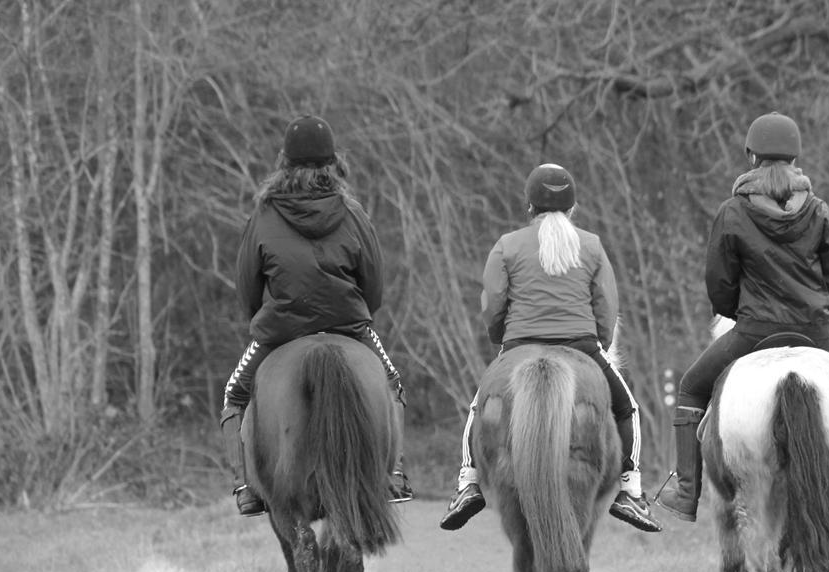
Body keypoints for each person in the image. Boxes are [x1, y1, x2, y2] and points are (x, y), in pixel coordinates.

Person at [656, 112, 829, 523]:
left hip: (753, 331)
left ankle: (687, 490)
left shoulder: (734, 211)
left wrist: (737, 313)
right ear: (795, 158)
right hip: (815, 332)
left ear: (752, 158)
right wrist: (817, 312)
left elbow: (719, 282)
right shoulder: (818, 210)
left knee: (693, 387)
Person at [439, 163, 661, 534]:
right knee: (628, 408)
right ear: (573, 208)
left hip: (519, 345)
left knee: (478, 406)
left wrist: (502, 340)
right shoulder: (591, 244)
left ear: (529, 207)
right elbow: (607, 305)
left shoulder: (507, 245)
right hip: (582, 346)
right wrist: (600, 344)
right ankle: (630, 490)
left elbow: (494, 302)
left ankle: (467, 482)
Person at [220, 115, 413, 516]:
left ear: (284, 164)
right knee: (391, 383)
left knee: (234, 395)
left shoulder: (263, 215)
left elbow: (248, 288)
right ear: (333, 163)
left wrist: (264, 320)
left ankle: (246, 487)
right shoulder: (352, 211)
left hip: (281, 328)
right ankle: (394, 473)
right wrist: (357, 314)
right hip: (349, 324)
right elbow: (373, 285)